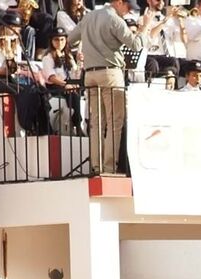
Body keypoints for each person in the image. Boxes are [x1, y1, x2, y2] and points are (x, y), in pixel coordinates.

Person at [69, 0, 151, 175]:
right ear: (119, 2)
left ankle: (96, 167)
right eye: (128, 7)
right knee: (115, 122)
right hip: (110, 74)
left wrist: (87, 50)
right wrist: (145, 28)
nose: (128, 12)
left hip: (90, 74)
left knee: (96, 123)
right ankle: (108, 168)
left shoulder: (88, 16)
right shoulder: (114, 19)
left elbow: (70, 40)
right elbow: (136, 45)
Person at [41, 27, 83, 135]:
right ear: (51, 41)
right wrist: (65, 85)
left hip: (68, 83)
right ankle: (78, 125)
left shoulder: (68, 56)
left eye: (62, 39)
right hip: (55, 86)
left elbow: (74, 73)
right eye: (56, 40)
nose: (59, 42)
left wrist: (80, 63)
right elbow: (51, 77)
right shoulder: (48, 57)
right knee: (74, 96)